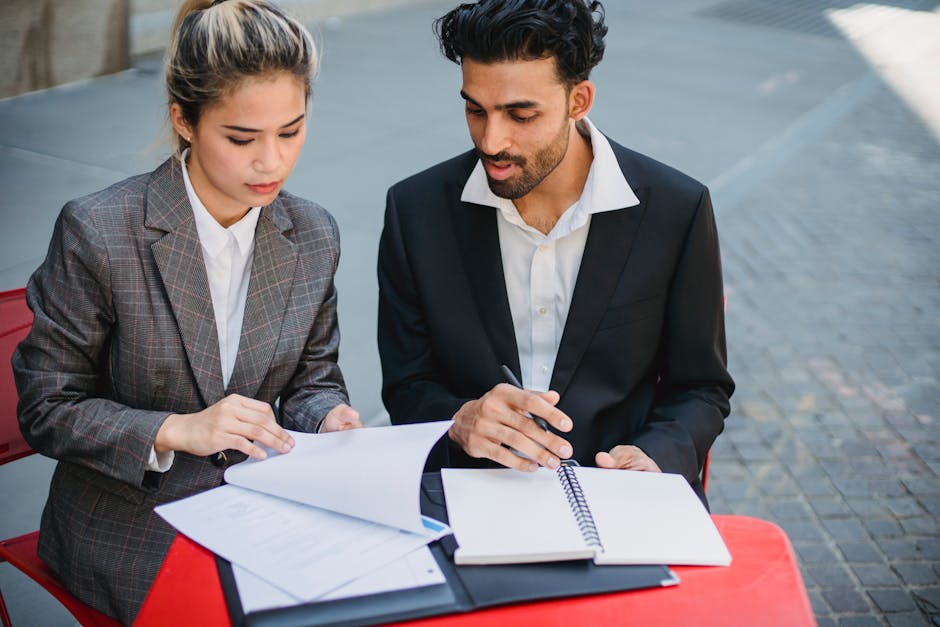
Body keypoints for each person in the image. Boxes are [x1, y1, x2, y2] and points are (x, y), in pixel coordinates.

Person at [12, 0, 361, 621]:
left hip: (261, 512)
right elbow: (47, 408)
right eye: (241, 137)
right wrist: (177, 429)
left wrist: (326, 415)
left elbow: (312, 376)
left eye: (291, 130)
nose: (271, 161)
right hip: (129, 530)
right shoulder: (100, 231)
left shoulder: (311, 233)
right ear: (185, 119)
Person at [378, 0, 733, 505]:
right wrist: (460, 421)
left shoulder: (677, 208)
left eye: (520, 114)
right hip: (468, 498)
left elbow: (702, 387)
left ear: (579, 100)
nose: (491, 140)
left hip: (624, 499)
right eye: (475, 109)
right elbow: (407, 385)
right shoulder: (414, 211)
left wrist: (655, 455)